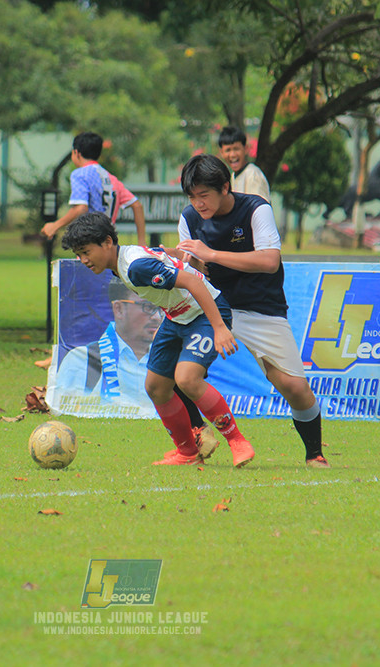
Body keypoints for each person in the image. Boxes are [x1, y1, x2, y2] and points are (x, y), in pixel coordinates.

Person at [61, 211, 256, 468]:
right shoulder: (125, 260)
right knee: (155, 386)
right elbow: (159, 255)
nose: (83, 260)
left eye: (86, 252)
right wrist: (177, 255)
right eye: (78, 254)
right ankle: (187, 451)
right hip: (176, 317)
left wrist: (219, 327)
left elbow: (192, 284)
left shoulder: (135, 267)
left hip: (204, 314)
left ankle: (238, 441)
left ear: (107, 242)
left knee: (186, 378)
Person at [174, 154, 330, 468]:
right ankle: (196, 438)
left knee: (293, 386)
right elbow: (193, 270)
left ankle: (314, 452)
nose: (198, 204)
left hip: (261, 306)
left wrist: (212, 254)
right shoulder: (189, 219)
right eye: (192, 197)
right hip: (213, 305)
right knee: (178, 374)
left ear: (225, 187)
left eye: (204, 195)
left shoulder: (256, 209)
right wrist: (191, 262)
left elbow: (269, 260)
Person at [55, 278, 162, 412]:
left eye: (162, 308)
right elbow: (63, 412)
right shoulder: (82, 360)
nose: (157, 317)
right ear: (119, 309)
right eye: (148, 307)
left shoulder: (174, 361)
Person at [41, 131, 147, 245]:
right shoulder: (111, 178)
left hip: (90, 244)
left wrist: (55, 226)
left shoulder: (80, 174)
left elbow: (81, 208)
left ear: (76, 153)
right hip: (110, 244)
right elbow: (137, 205)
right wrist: (142, 243)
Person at [218, 126, 271, 202]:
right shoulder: (233, 176)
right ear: (221, 153)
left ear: (246, 149)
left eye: (236, 149)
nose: (232, 154)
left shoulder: (253, 174)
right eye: (228, 150)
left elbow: (259, 208)